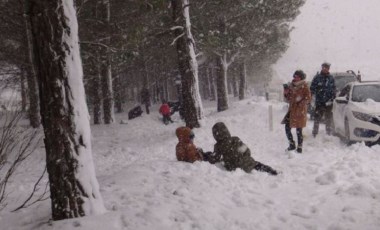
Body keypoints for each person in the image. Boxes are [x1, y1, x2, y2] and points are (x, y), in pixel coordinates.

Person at [210, 122, 278, 175]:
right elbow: (247, 151)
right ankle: (272, 171)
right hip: (247, 163)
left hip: (233, 167)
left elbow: (215, 158)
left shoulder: (218, 146)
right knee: (257, 164)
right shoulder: (235, 139)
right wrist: (244, 157)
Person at [282, 70, 311, 153]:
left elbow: (308, 98)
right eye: (294, 76)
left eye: (297, 76)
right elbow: (288, 99)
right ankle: (291, 144)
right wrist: (286, 93)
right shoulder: (291, 86)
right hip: (291, 111)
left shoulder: (305, 86)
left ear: (301, 77)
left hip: (300, 111)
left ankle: (299, 147)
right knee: (287, 128)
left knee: (299, 130)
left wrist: (300, 102)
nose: (295, 78)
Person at [310, 62, 336, 137]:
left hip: (329, 102)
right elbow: (312, 88)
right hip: (319, 102)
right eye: (323, 67)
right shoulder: (317, 77)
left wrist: (332, 98)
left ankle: (328, 133)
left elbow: (334, 89)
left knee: (328, 118)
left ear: (328, 69)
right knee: (317, 118)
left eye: (326, 68)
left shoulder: (331, 78)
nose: (325, 69)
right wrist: (314, 96)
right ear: (322, 68)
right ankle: (315, 133)